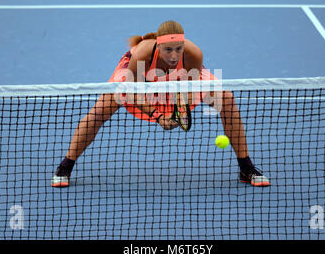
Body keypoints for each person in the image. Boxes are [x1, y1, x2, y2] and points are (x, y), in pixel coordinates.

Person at [51, 20, 270, 187]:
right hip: (142, 77)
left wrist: (177, 111)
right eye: (168, 50)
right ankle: (66, 166)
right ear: (158, 46)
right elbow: (132, 92)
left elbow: (188, 91)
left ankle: (246, 167)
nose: (174, 55)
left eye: (178, 49)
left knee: (227, 99)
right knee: (102, 107)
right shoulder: (145, 52)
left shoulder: (193, 55)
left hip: (181, 79)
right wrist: (158, 116)